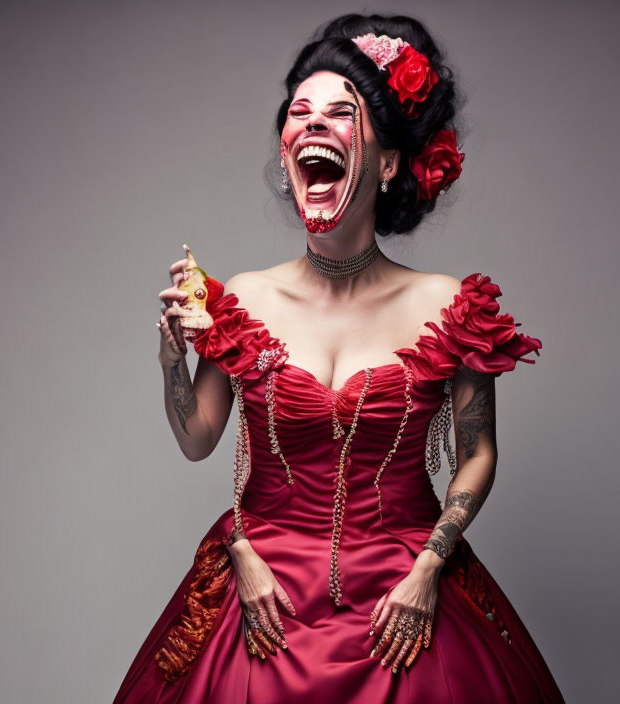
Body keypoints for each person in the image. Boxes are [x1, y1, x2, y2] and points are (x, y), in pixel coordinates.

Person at [114, 13, 565, 704]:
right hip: (261, 585)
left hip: (407, 589)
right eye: (300, 111)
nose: (313, 124)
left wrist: (429, 567)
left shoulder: (449, 304)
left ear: (388, 164)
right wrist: (172, 360)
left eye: (340, 113)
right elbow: (199, 439)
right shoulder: (244, 296)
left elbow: (477, 452)